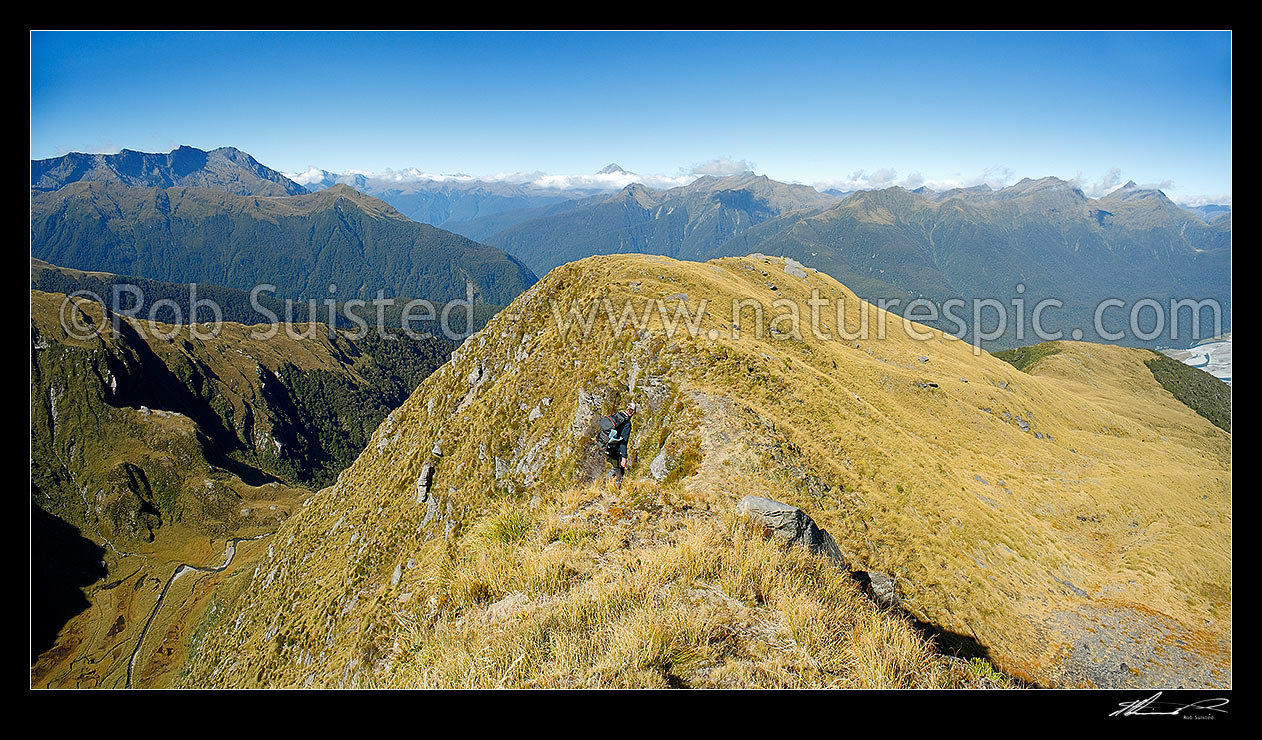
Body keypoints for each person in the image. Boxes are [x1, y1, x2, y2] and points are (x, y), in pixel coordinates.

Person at [605, 402, 637, 485]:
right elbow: (623, 441)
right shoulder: (627, 424)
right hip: (616, 449)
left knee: (615, 467)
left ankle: (608, 483)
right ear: (633, 412)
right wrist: (624, 457)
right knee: (619, 469)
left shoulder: (617, 415)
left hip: (606, 445)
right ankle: (615, 486)